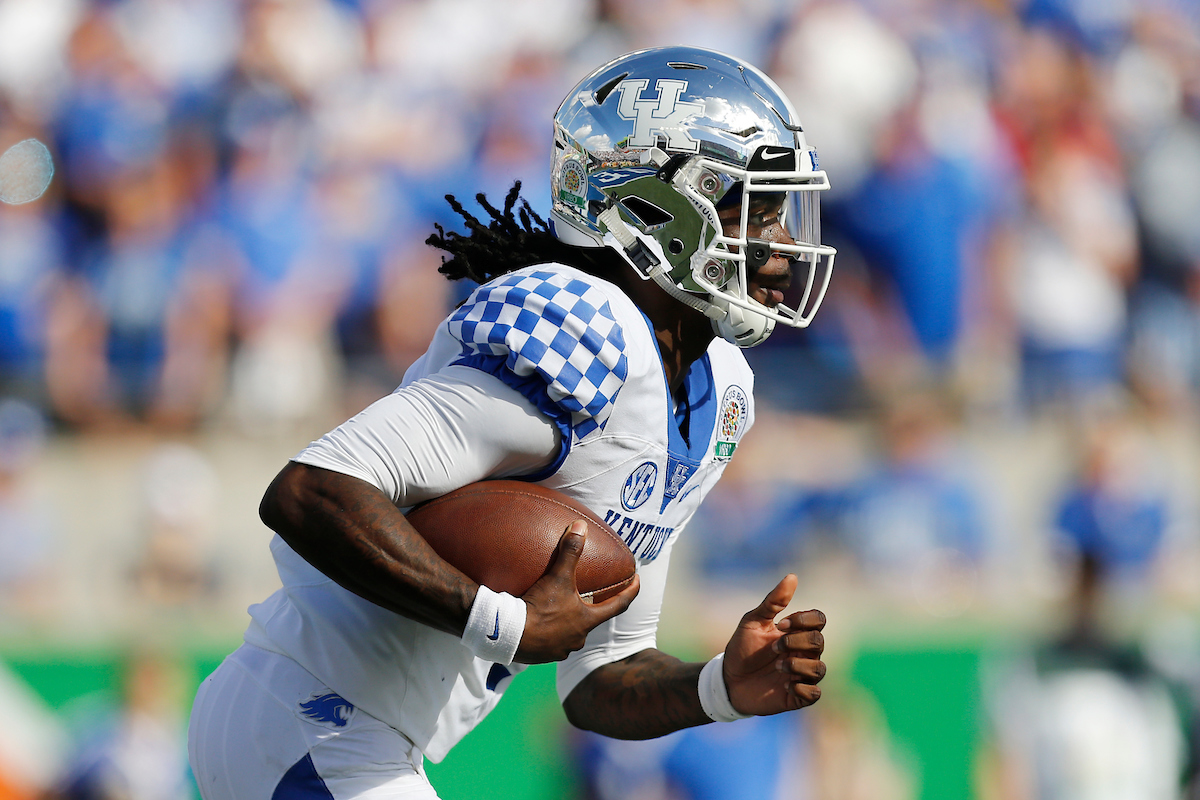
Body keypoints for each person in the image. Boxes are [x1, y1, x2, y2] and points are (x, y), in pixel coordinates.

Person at [187, 45, 837, 799]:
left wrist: (719, 687)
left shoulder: (717, 389)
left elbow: (598, 677)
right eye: (745, 208)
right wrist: (501, 624)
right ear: (651, 211)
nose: (781, 243)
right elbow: (314, 488)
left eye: (778, 212)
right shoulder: (584, 333)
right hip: (308, 717)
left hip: (363, 737)